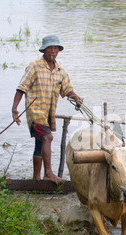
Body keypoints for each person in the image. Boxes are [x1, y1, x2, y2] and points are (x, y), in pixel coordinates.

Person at [12, 34, 82, 183]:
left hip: (48, 114)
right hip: (35, 111)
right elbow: (21, 88)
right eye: (50, 48)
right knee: (47, 137)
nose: (53, 51)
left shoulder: (60, 71)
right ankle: (48, 174)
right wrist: (15, 108)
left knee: (40, 143)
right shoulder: (34, 66)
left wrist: (76, 97)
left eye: (56, 48)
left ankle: (36, 180)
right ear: (44, 50)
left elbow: (67, 90)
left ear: (59, 51)